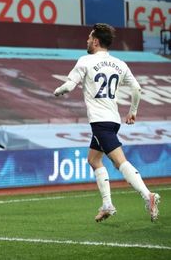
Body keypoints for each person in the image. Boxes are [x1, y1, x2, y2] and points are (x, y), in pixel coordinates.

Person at [54, 23, 160, 222]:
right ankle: (107, 205)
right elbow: (137, 89)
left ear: (95, 41)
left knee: (120, 162)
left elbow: (69, 86)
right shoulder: (120, 63)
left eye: (89, 37)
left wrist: (58, 91)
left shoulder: (85, 61)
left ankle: (148, 195)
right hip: (112, 119)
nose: (86, 40)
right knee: (93, 160)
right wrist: (133, 112)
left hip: (100, 122)